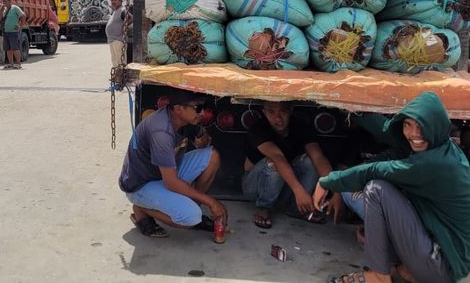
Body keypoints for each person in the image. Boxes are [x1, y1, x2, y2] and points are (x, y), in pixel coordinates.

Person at [314, 92, 470, 283]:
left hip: (444, 266)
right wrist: (353, 108)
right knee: (367, 194)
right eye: (408, 124)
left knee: (376, 190)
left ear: (436, 126)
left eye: (421, 126)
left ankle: (378, 276)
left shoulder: (435, 163)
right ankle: (403, 272)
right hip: (436, 248)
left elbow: (375, 170)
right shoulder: (439, 146)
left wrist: (327, 181)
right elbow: (386, 131)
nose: (414, 134)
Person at [119, 92, 227, 239]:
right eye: (198, 107)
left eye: (204, 107)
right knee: (191, 218)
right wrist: (211, 202)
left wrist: (205, 140)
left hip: (164, 172)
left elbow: (203, 140)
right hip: (141, 184)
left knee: (212, 156)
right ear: (178, 109)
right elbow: (171, 182)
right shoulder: (161, 132)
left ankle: (191, 207)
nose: (202, 112)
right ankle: (142, 209)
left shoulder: (185, 120)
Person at [242, 101, 342, 229]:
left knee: (309, 161)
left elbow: (318, 158)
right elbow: (278, 158)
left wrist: (336, 191)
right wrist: (299, 191)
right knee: (274, 164)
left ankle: (297, 208)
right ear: (264, 112)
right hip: (254, 187)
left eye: (282, 112)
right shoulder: (258, 129)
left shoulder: (300, 126)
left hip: (284, 184)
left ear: (290, 111)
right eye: (271, 112)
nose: (278, 118)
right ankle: (264, 207)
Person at [1, 0, 25, 69]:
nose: (4, 3)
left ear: (10, 1)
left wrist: (20, 26)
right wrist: (0, 11)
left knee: (15, 48)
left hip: (13, 31)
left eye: (5, 1)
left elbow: (23, 16)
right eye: (3, 1)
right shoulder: (4, 10)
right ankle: (11, 64)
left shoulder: (15, 8)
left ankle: (18, 63)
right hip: (5, 31)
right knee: (8, 49)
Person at [106, 0, 129, 68]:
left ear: (120, 1)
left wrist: (124, 26)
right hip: (112, 40)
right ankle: (117, 76)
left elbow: (131, 18)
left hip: (118, 40)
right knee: (114, 59)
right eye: (112, 0)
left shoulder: (123, 10)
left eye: (115, 0)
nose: (113, 2)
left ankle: (121, 76)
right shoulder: (115, 11)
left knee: (120, 60)